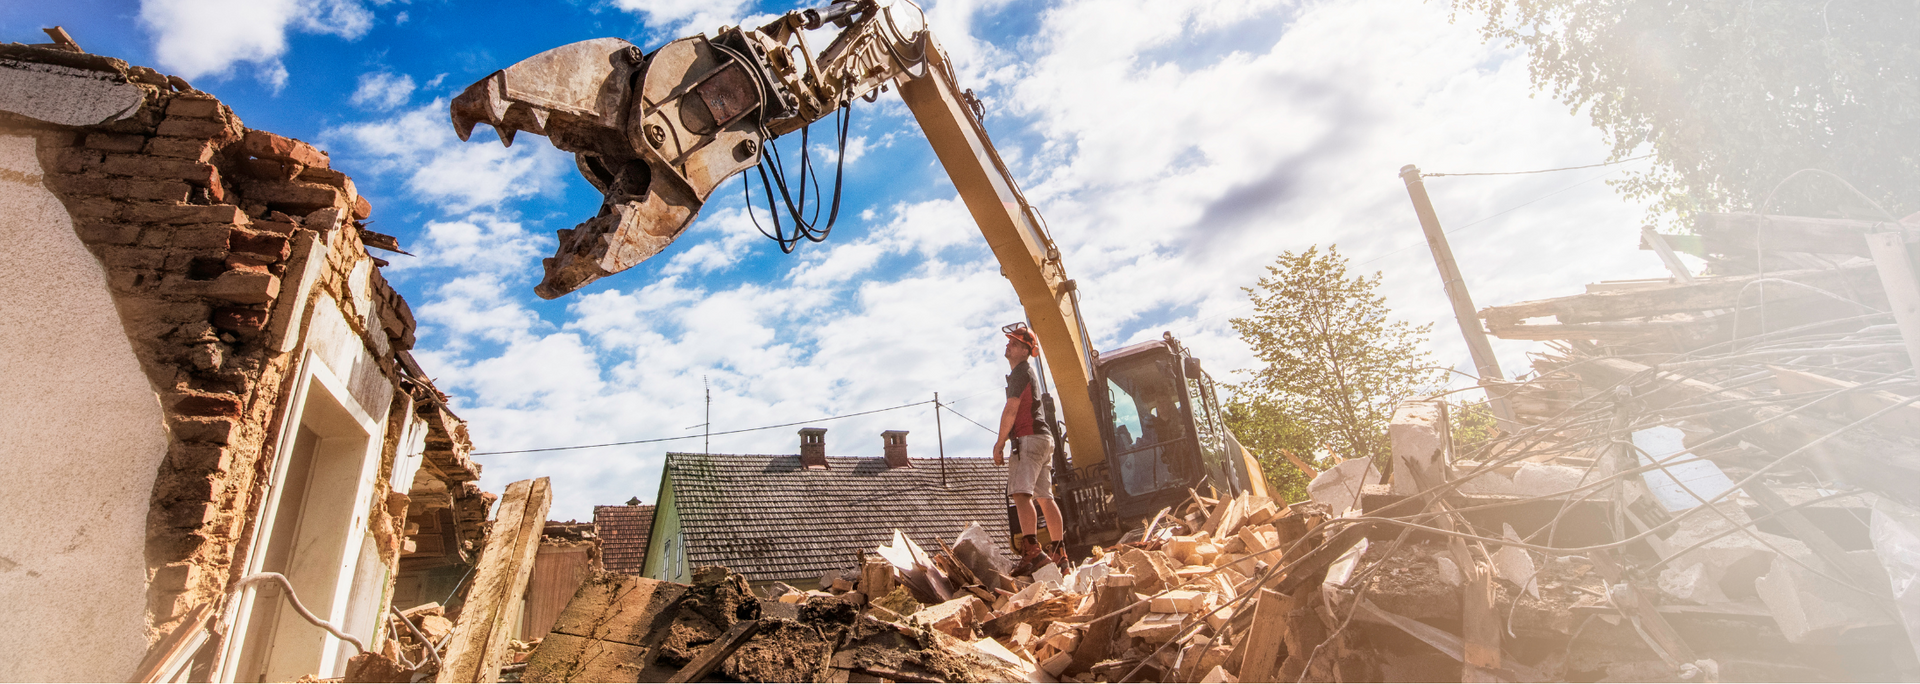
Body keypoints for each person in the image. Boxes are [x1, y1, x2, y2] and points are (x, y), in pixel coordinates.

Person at [993, 326, 1066, 574]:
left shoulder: (1019, 374)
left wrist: (1000, 442)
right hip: (1045, 440)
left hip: (1028, 438)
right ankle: (1060, 553)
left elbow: (1011, 410)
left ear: (1025, 350)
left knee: (1021, 495)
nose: (1008, 346)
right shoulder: (1029, 373)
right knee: (1045, 497)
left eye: (1013, 343)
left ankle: (1032, 551)